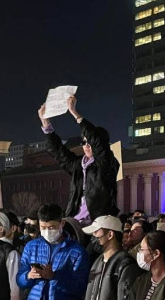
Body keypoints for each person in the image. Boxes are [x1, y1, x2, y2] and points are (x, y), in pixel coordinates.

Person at [38, 96, 120, 224]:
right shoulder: (78, 165)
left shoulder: (107, 163)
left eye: (90, 142)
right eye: (83, 142)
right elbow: (59, 152)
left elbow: (98, 142)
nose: (86, 145)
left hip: (98, 222)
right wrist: (46, 123)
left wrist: (74, 113)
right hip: (74, 220)